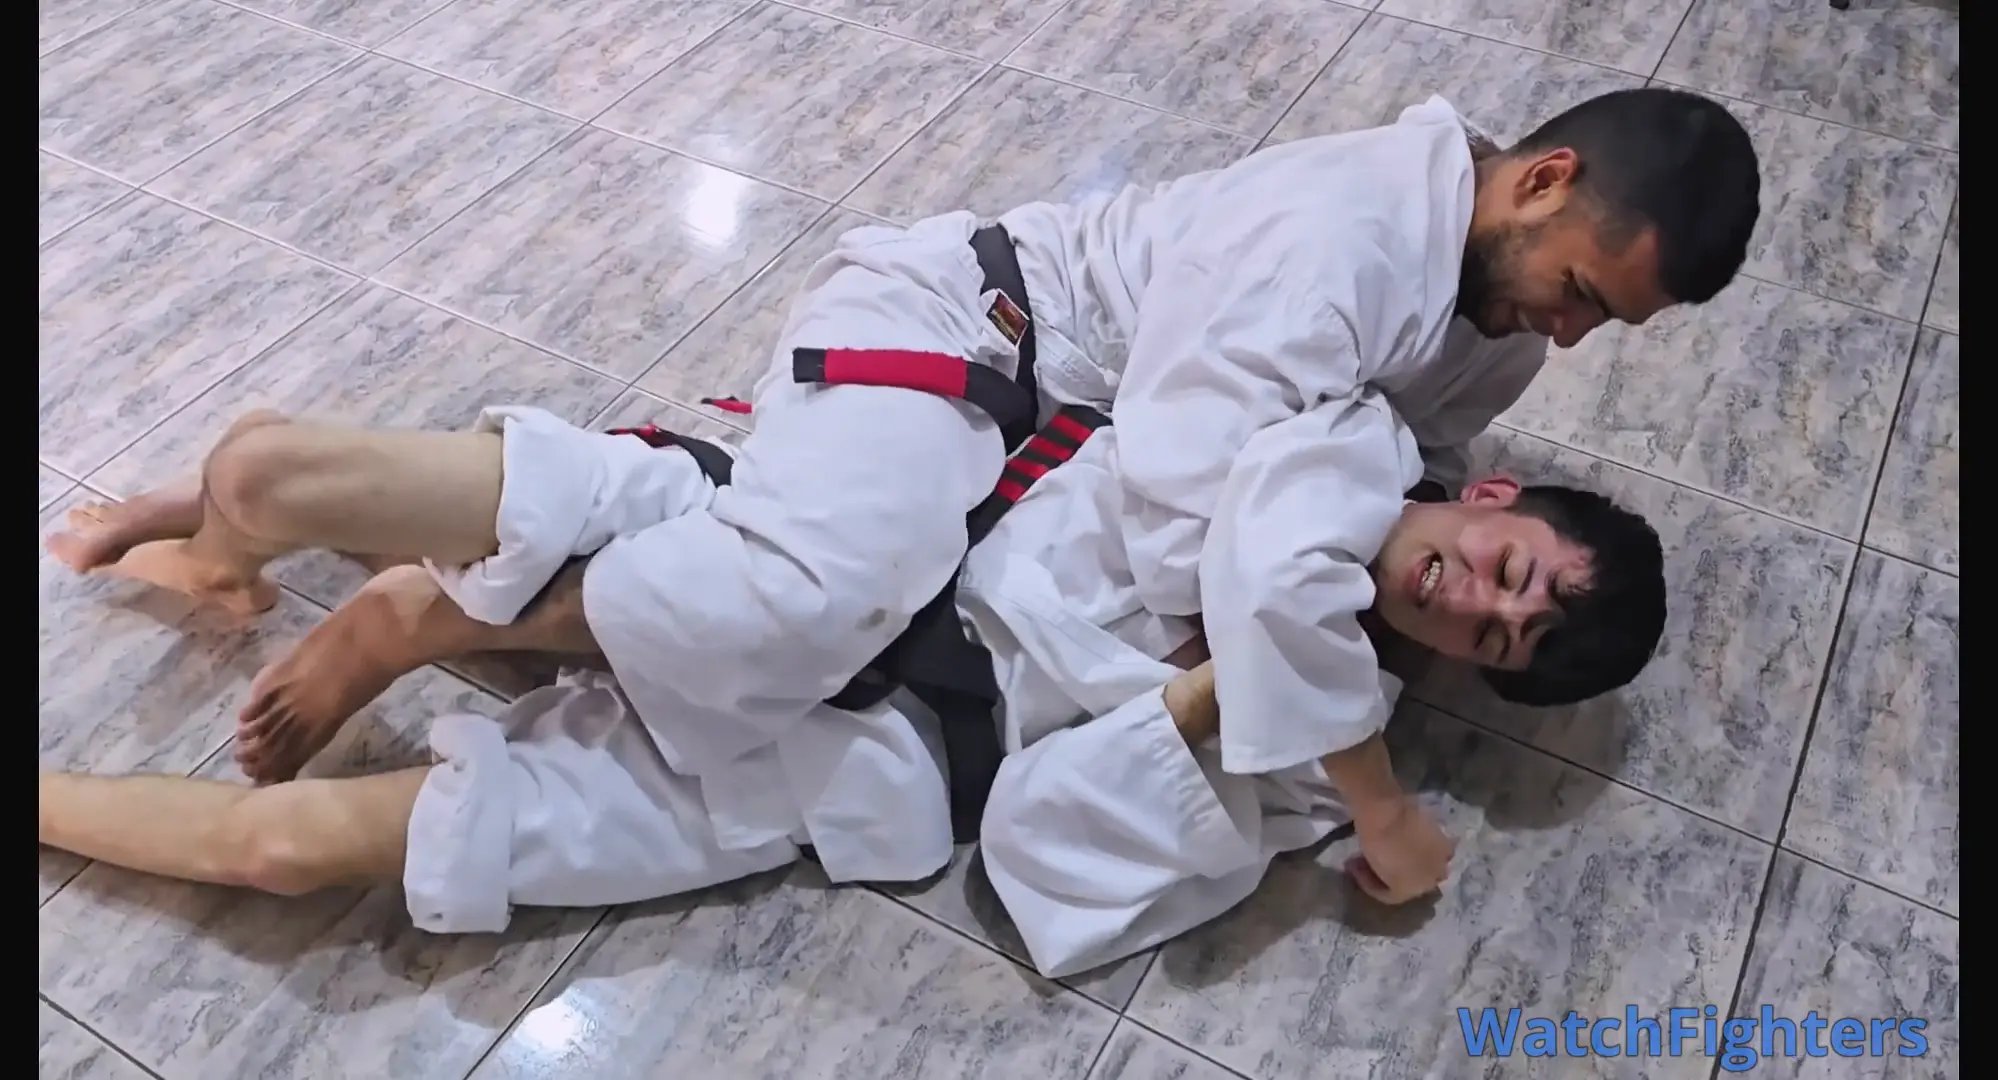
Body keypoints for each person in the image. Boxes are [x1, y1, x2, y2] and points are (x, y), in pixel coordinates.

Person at [40, 382, 1666, 973]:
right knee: (395, 493)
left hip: (860, 764)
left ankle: (414, 608)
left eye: (1495, 638)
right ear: (1494, 498)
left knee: (283, 850)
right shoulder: (1309, 429)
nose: (1473, 601)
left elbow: (1040, 851)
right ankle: (234, 536)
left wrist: (1218, 703)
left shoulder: (1321, 751)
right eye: (1509, 571)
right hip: (840, 552)